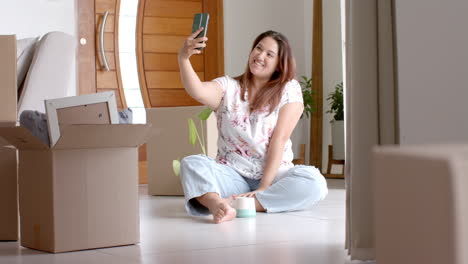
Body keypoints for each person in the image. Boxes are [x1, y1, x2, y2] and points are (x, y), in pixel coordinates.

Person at [178, 28, 328, 224]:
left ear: (278, 64)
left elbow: (279, 140)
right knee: (192, 163)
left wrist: (263, 187)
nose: (260, 55)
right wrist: (183, 58)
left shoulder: (288, 89)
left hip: (275, 177)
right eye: (258, 48)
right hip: (233, 175)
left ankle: (245, 203)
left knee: (315, 182)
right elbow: (198, 91)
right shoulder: (228, 86)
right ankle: (216, 204)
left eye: (269, 54)